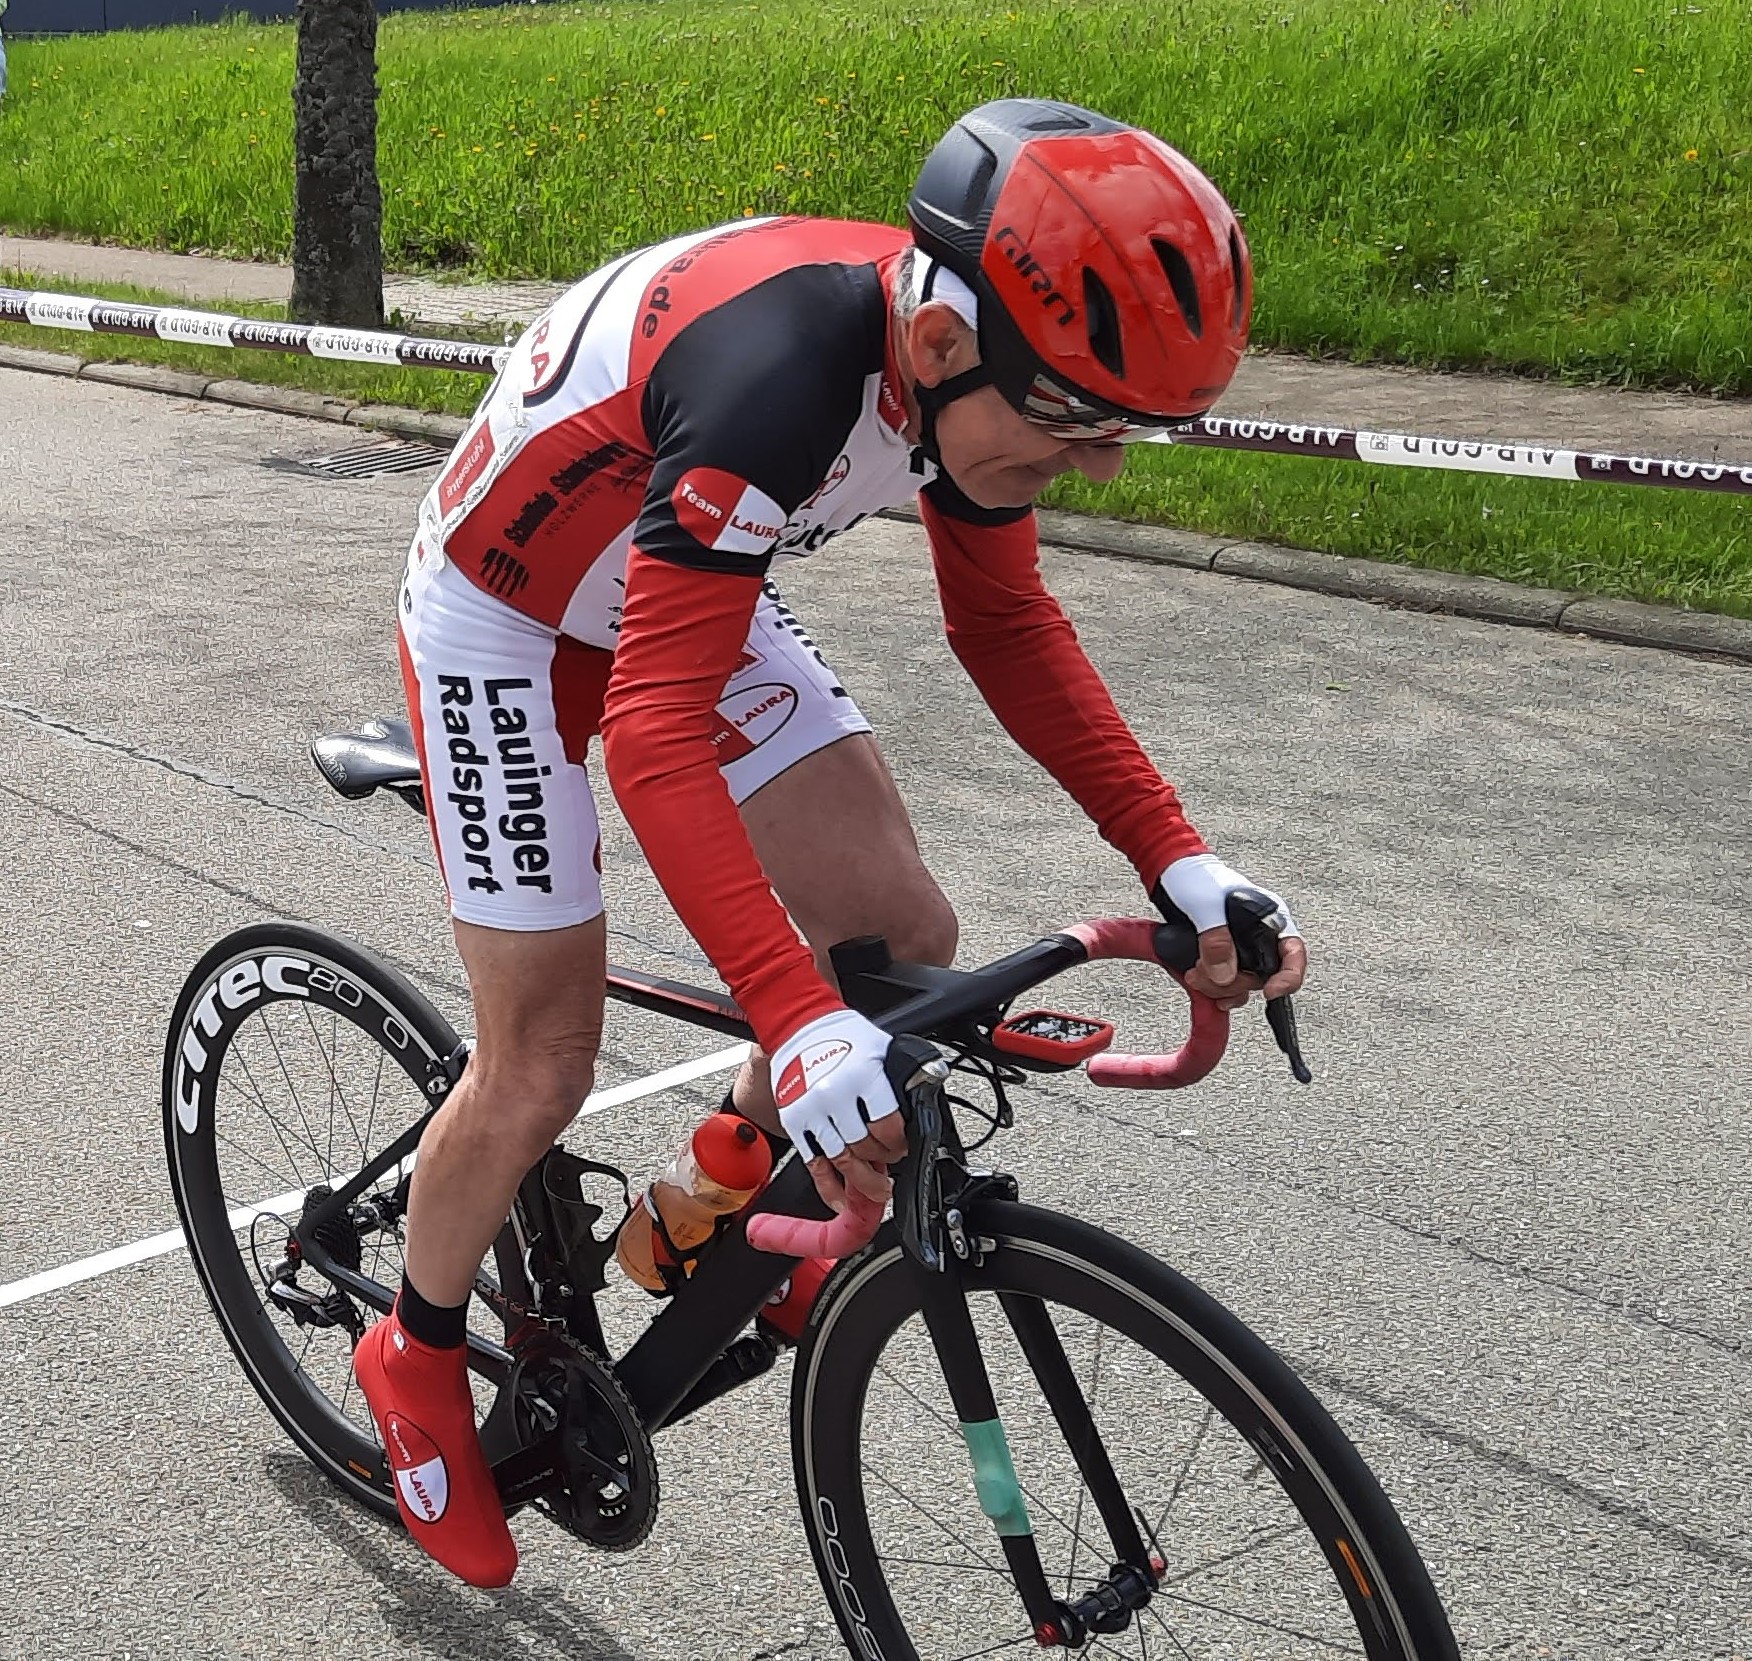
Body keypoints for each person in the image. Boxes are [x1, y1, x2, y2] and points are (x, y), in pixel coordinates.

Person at [354, 97, 1308, 1588]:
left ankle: (720, 1186)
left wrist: (1177, 861)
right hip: (511, 620)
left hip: (681, 580)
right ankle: (410, 1347)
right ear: (936, 346)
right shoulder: (785, 377)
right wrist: (793, 1024)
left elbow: (1003, 625)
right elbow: (658, 740)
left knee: (896, 935)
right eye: (1073, 420)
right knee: (543, 1058)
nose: (1102, 467)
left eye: (1123, 429)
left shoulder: (965, 364)